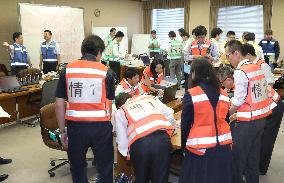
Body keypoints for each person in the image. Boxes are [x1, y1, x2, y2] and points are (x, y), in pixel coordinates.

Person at [55, 35, 115, 183]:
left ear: (82, 51)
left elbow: (59, 104)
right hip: (101, 127)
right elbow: (109, 105)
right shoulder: (107, 72)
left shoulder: (67, 70)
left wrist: (62, 131)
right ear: (99, 52)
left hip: (75, 127)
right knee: (105, 167)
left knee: (77, 168)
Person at [179, 58, 233, 183]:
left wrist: (183, 148)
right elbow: (224, 119)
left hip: (200, 150)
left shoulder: (192, 93)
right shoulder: (223, 94)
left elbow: (185, 125)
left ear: (194, 73)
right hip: (224, 147)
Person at [225, 40, 272, 183]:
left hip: (247, 123)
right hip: (260, 120)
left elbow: (238, 101)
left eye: (228, 55)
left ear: (236, 53)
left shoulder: (240, 72)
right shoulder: (256, 67)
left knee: (237, 160)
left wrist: (226, 112)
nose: (227, 59)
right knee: (252, 159)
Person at [114, 93, 174, 183]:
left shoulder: (121, 111)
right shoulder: (150, 98)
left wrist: (129, 156)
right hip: (162, 142)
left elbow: (122, 143)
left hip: (141, 146)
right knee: (161, 178)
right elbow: (170, 113)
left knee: (141, 178)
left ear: (119, 105)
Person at [242, 43, 283, 175]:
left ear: (248, 55)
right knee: (259, 136)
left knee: (266, 138)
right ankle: (255, 165)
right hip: (263, 106)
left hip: (272, 106)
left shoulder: (262, 65)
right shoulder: (249, 66)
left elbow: (269, 85)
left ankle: (261, 168)